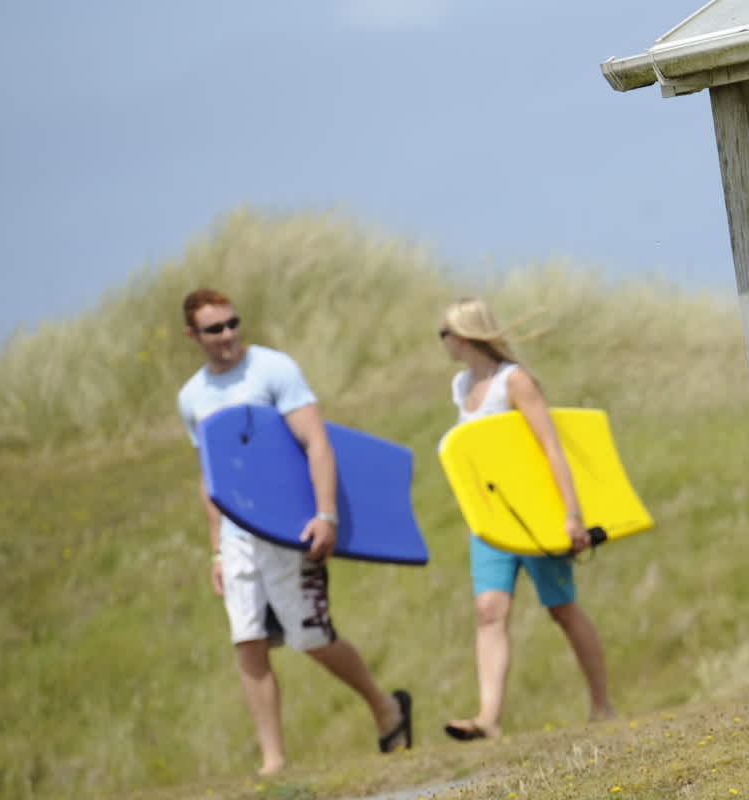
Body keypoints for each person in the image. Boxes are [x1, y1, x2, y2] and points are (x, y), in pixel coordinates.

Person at [176, 289, 411, 775]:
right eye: (215, 328)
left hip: (288, 529)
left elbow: (316, 442)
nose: (228, 334)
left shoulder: (273, 369)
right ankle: (273, 761)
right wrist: (216, 549)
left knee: (311, 637)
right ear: (193, 335)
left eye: (233, 323)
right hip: (237, 536)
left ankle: (386, 707)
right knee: (248, 640)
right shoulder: (192, 397)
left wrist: (326, 515)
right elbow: (211, 478)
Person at [438, 298, 616, 740]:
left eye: (445, 333)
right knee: (489, 611)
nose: (442, 341)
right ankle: (488, 718)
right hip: (492, 521)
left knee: (562, 609)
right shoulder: (461, 385)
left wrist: (572, 514)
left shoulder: (514, 382)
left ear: (465, 335)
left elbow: (550, 447)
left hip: (537, 516)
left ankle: (602, 705)